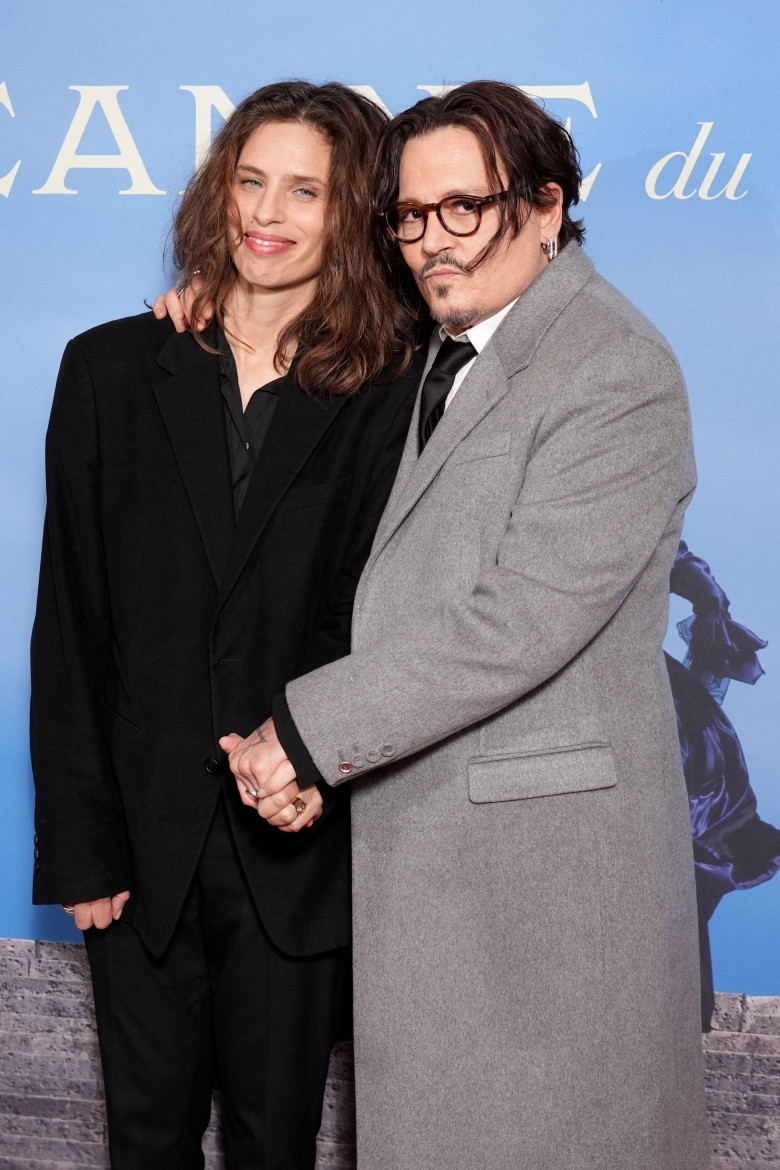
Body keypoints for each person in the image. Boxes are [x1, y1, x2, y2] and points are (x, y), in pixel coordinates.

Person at [220, 81, 710, 1170]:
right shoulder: (449, 348)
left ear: (544, 207)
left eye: (463, 210)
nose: (430, 242)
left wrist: (300, 736)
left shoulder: (614, 368)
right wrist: (212, 300)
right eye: (407, 215)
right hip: (443, 871)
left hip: (544, 899)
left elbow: (517, 620)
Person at [30, 80, 423, 1170]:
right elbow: (72, 622)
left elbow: (375, 617)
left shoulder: (394, 391)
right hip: (140, 854)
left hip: (297, 847)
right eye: (252, 179)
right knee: (144, 1143)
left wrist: (317, 761)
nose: (269, 211)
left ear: (353, 218)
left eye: (307, 189)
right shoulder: (110, 369)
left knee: (275, 1147)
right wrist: (81, 842)